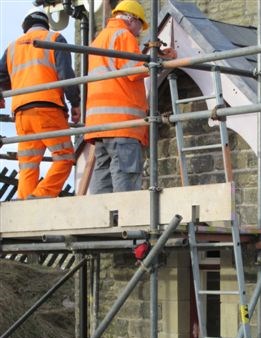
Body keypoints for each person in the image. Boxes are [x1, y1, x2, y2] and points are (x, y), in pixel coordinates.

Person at [84, 0, 176, 194]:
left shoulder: (99, 38)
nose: (139, 33)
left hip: (98, 124)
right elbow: (132, 71)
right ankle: (126, 222)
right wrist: (158, 62)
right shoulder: (124, 35)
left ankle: (104, 222)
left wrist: (157, 57)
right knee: (125, 175)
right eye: (139, 27)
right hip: (122, 123)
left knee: (103, 177)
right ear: (132, 19)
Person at [0, 8, 81, 199]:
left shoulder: (13, 47)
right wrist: (75, 103)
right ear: (46, 23)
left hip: (21, 113)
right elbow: (66, 75)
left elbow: (1, 76)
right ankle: (40, 196)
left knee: (28, 163)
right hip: (47, 108)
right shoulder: (54, 38)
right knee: (65, 157)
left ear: (25, 26)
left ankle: (25, 204)